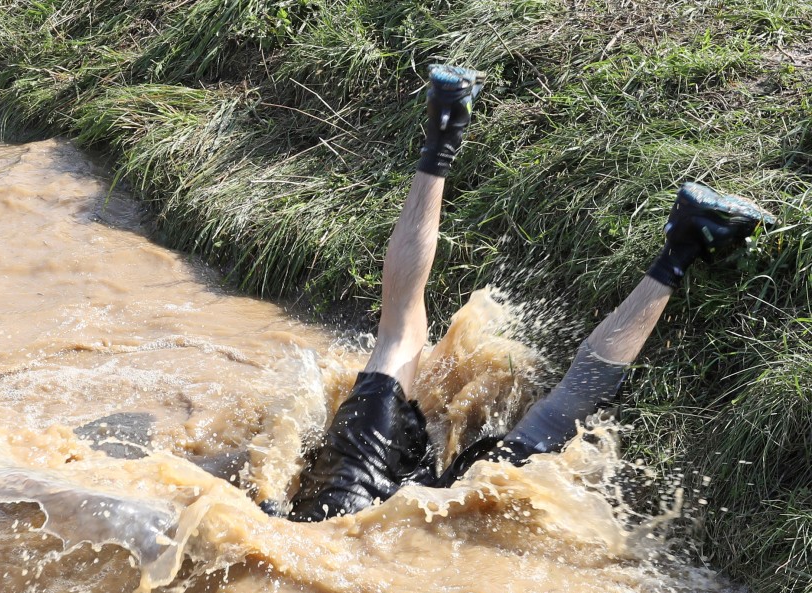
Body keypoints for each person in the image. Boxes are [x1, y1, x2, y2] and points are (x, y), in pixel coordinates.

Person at [278, 64, 773, 522]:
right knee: (399, 332)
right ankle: (445, 123)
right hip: (343, 495)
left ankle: (686, 244)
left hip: (408, 520)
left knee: (565, 408)